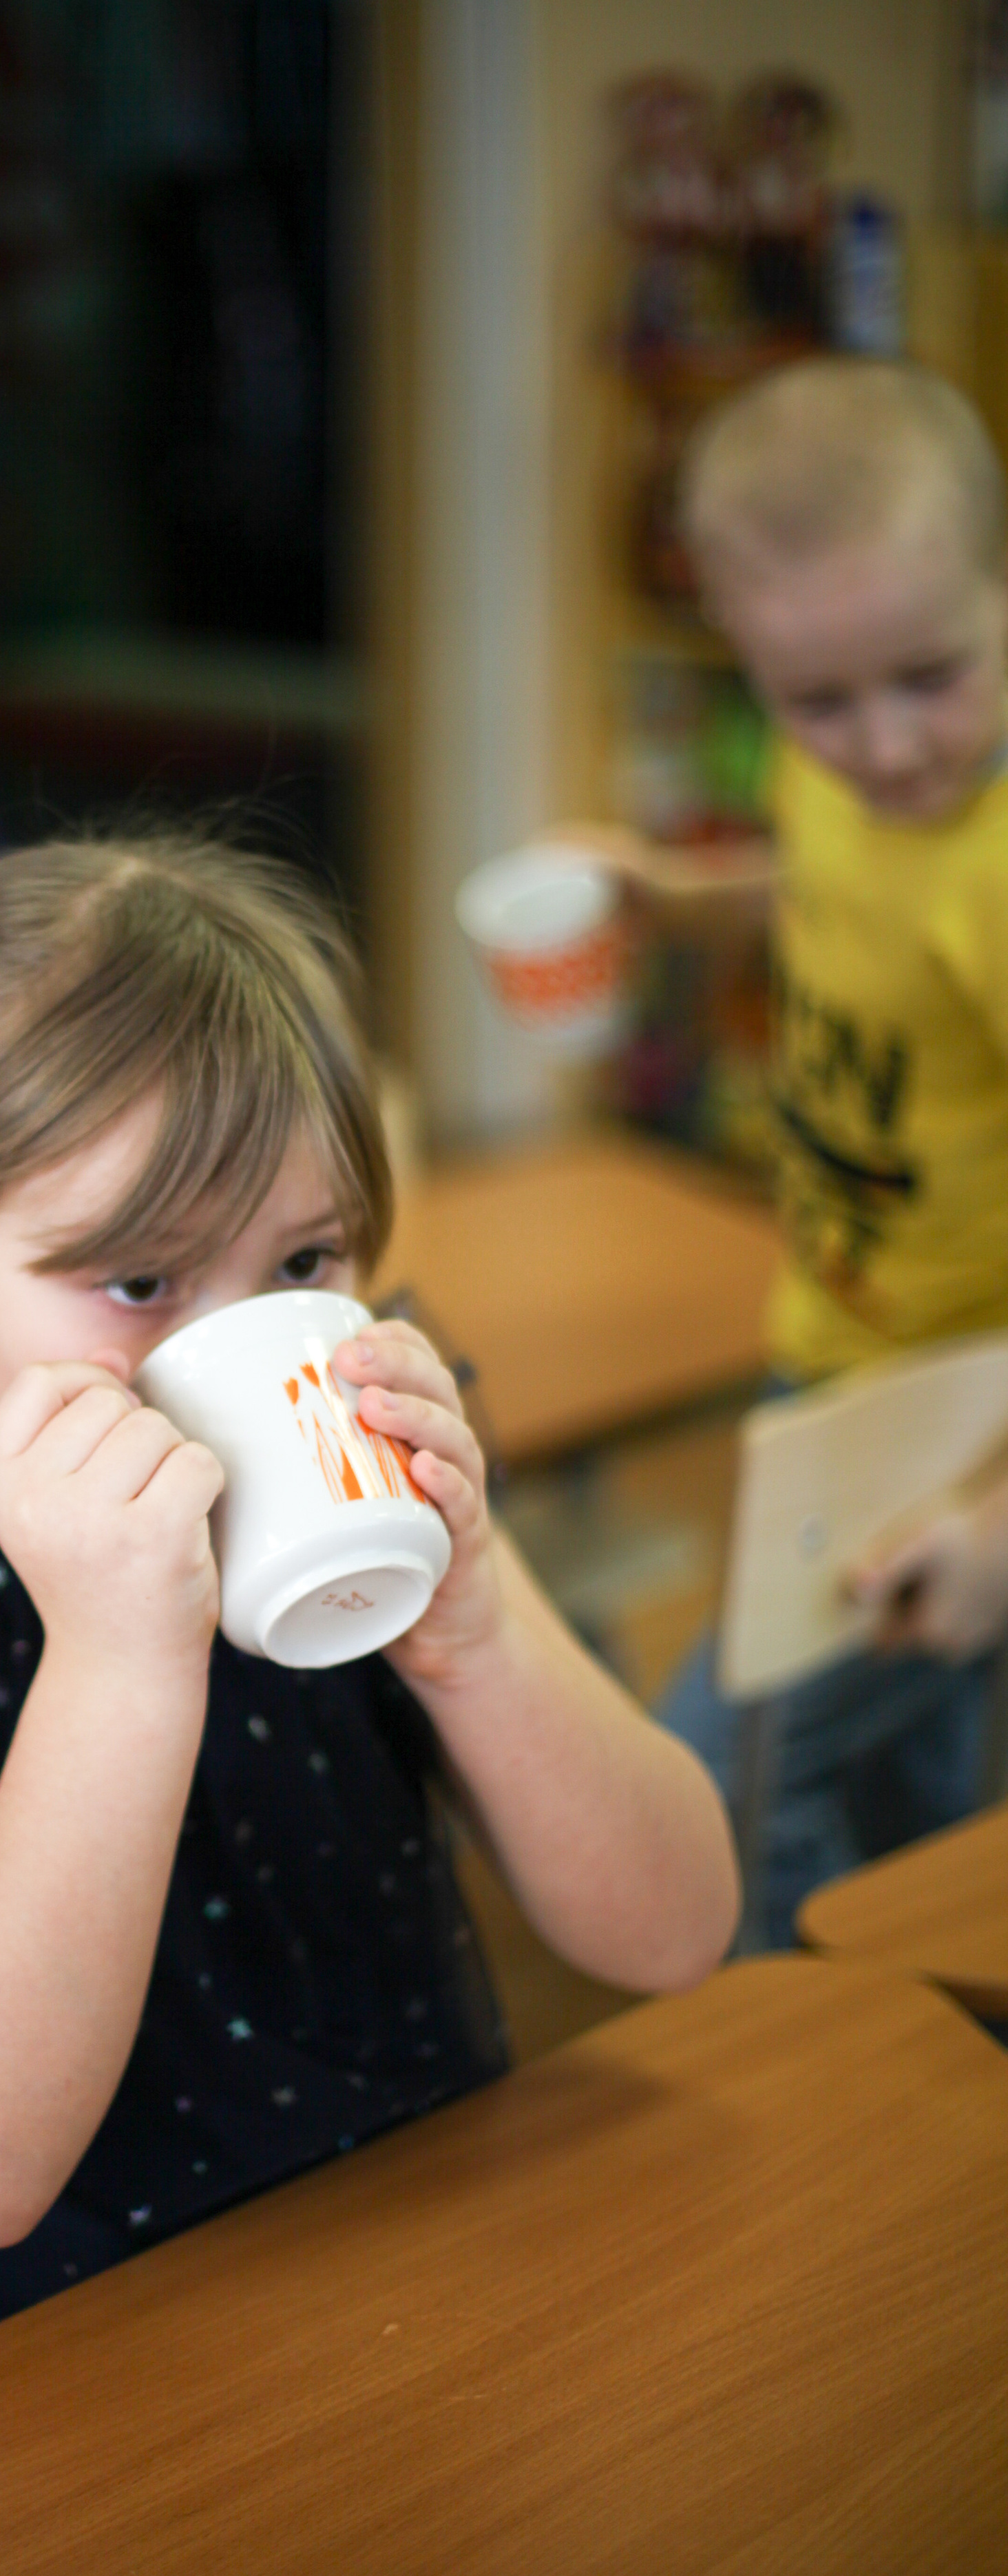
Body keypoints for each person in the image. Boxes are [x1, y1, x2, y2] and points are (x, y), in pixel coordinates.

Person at [0, 834, 737, 2433]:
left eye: (302, 1262)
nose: (233, 1348)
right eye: (139, 1279)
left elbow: (675, 1930)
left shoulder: (370, 1478)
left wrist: (474, 1629)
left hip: (423, 2318)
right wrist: (113, 1665)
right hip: (44, 2410)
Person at [658, 357, 1008, 1945]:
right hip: (839, 1354)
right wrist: (661, 898)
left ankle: (786, 2130)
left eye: (928, 676)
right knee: (924, 1797)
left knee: (715, 1791)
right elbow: (833, 887)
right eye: (814, 702)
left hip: (959, 1412)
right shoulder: (842, 772)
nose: (874, 749)